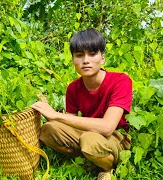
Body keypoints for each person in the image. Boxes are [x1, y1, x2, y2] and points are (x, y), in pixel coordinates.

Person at [31, 28, 132, 180]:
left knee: (89, 141)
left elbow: (107, 127)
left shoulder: (120, 81)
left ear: (102, 58)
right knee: (48, 130)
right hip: (86, 133)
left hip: (114, 137)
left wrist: (56, 115)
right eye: (79, 55)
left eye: (92, 54)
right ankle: (88, 157)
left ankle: (106, 167)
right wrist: (49, 114)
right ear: (73, 60)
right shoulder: (73, 88)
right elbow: (68, 123)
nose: (86, 60)